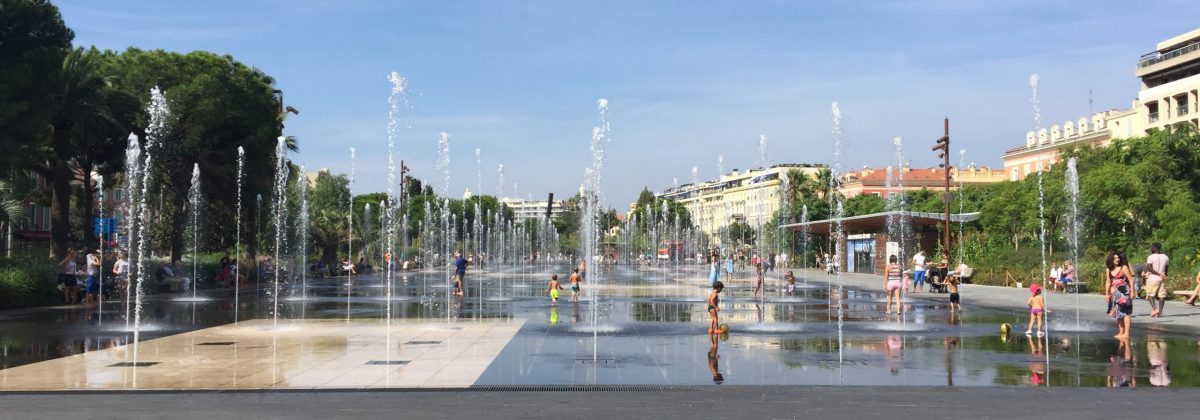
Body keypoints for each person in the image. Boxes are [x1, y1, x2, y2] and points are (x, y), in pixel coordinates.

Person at [1106, 252, 1135, 339]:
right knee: (1118, 313)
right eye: (1115, 258)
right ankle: (1121, 332)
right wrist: (1107, 294)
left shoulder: (1124, 267)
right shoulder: (1108, 269)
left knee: (1126, 313)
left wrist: (1132, 291)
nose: (1117, 259)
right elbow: (1108, 282)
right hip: (1115, 293)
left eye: (1118, 258)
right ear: (1111, 259)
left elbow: (1131, 280)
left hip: (1124, 292)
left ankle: (1126, 333)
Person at [1143, 243, 1169, 317]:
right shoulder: (1166, 257)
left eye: (1151, 247)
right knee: (1162, 295)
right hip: (1162, 278)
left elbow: (1149, 268)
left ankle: (1155, 309)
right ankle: (1160, 312)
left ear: (1154, 248)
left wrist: (1158, 274)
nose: (1151, 248)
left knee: (1150, 294)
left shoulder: (1151, 257)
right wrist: (1164, 275)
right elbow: (1166, 268)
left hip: (1153, 278)